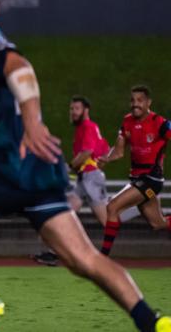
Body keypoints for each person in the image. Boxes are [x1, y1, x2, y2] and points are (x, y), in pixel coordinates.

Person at [0, 0, 171, 332]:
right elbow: (2, 116)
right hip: (40, 173)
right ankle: (151, 320)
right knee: (83, 259)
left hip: (6, 172)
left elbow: (21, 69)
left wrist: (34, 123)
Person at [98, 85, 171, 256]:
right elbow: (118, 151)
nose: (135, 104)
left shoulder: (159, 123)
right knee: (158, 223)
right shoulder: (127, 121)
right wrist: (107, 158)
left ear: (148, 102)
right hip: (137, 179)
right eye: (132, 100)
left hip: (151, 179)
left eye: (140, 100)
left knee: (112, 207)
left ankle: (102, 257)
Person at [32, 95, 110, 266]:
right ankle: (54, 253)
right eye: (71, 109)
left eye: (76, 109)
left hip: (91, 179)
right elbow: (104, 148)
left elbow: (87, 152)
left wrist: (68, 167)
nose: (73, 112)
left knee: (109, 221)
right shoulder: (85, 128)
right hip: (85, 179)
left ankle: (139, 206)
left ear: (85, 110)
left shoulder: (88, 127)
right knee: (63, 212)